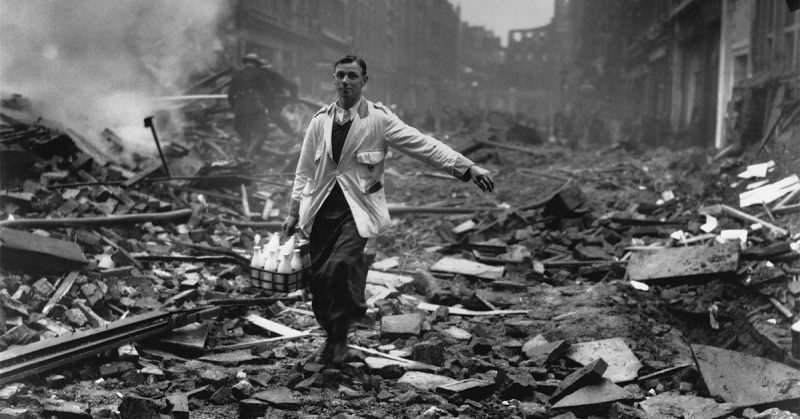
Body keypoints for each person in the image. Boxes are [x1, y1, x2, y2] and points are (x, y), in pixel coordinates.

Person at [281, 55, 495, 365]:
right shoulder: (320, 121)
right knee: (321, 281)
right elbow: (303, 171)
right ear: (333, 79)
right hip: (320, 212)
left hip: (357, 212)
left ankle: (339, 339)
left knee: (341, 266)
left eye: (353, 76)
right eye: (340, 75)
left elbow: (423, 145)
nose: (345, 82)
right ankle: (333, 335)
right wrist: (292, 211)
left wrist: (466, 166)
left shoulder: (379, 119)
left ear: (364, 81)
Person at [227, 53, 299, 153]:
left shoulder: (237, 74)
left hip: (241, 109)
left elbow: (230, 95)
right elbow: (267, 92)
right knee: (263, 130)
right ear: (257, 64)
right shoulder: (259, 74)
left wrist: (235, 108)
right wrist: (270, 106)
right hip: (255, 107)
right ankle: (252, 154)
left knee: (244, 134)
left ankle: (245, 156)